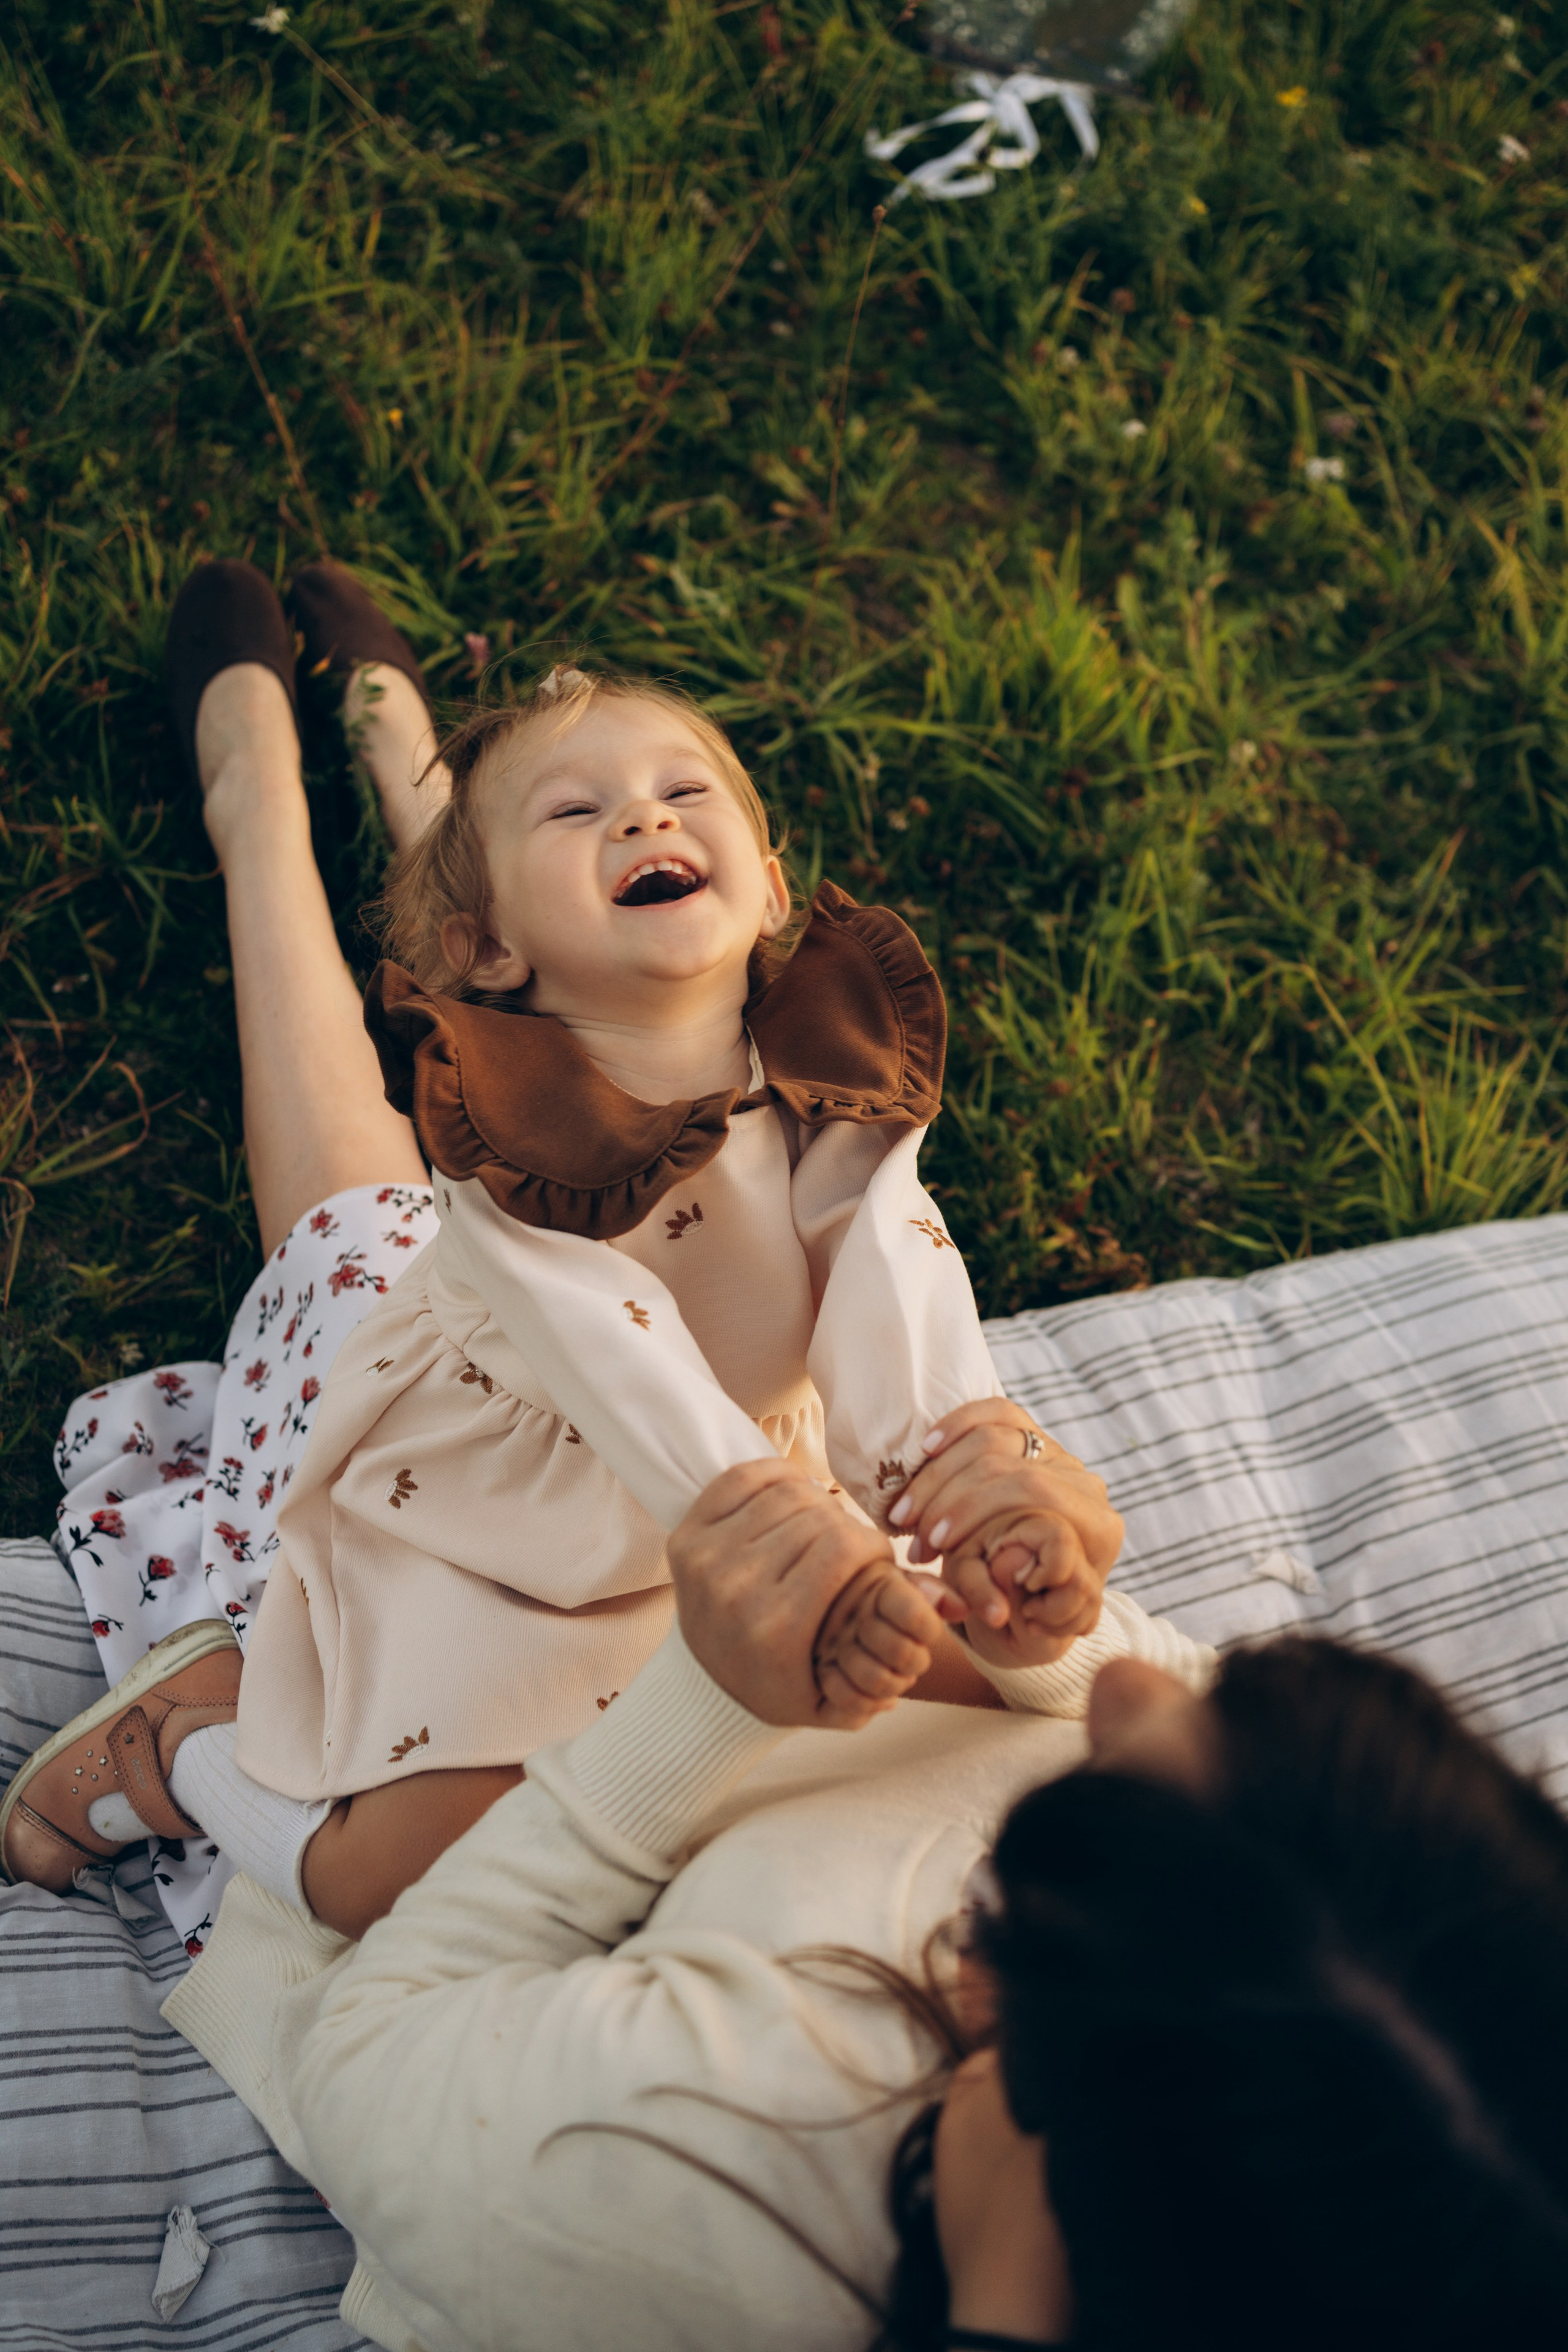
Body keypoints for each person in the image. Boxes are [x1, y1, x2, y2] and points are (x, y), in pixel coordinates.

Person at [1, 559, 1129, 1945]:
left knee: (938, 1697)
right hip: (481, 1496)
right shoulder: (520, 1173)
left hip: (718, 1518)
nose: (648, 812)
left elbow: (894, 1272)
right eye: (593, 806)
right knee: (376, 1883)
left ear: (770, 889)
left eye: (679, 793)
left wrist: (963, 1473)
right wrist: (777, 1551)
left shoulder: (823, 1085)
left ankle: (406, 746)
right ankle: (257, 789)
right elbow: (614, 1352)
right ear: (480, 962)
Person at [148, 1457, 1568, 2352]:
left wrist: (697, 1709)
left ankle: (172, 1744)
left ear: (994, 2008)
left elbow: (370, 2027)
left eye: (1095, 1784)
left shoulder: (639, 2166)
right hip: (756, 1722)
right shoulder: (1391, 2068)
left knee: (388, 1299)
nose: (1138, 1690)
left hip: (484, 1914)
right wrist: (1052, 1653)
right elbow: (1153, 1692)